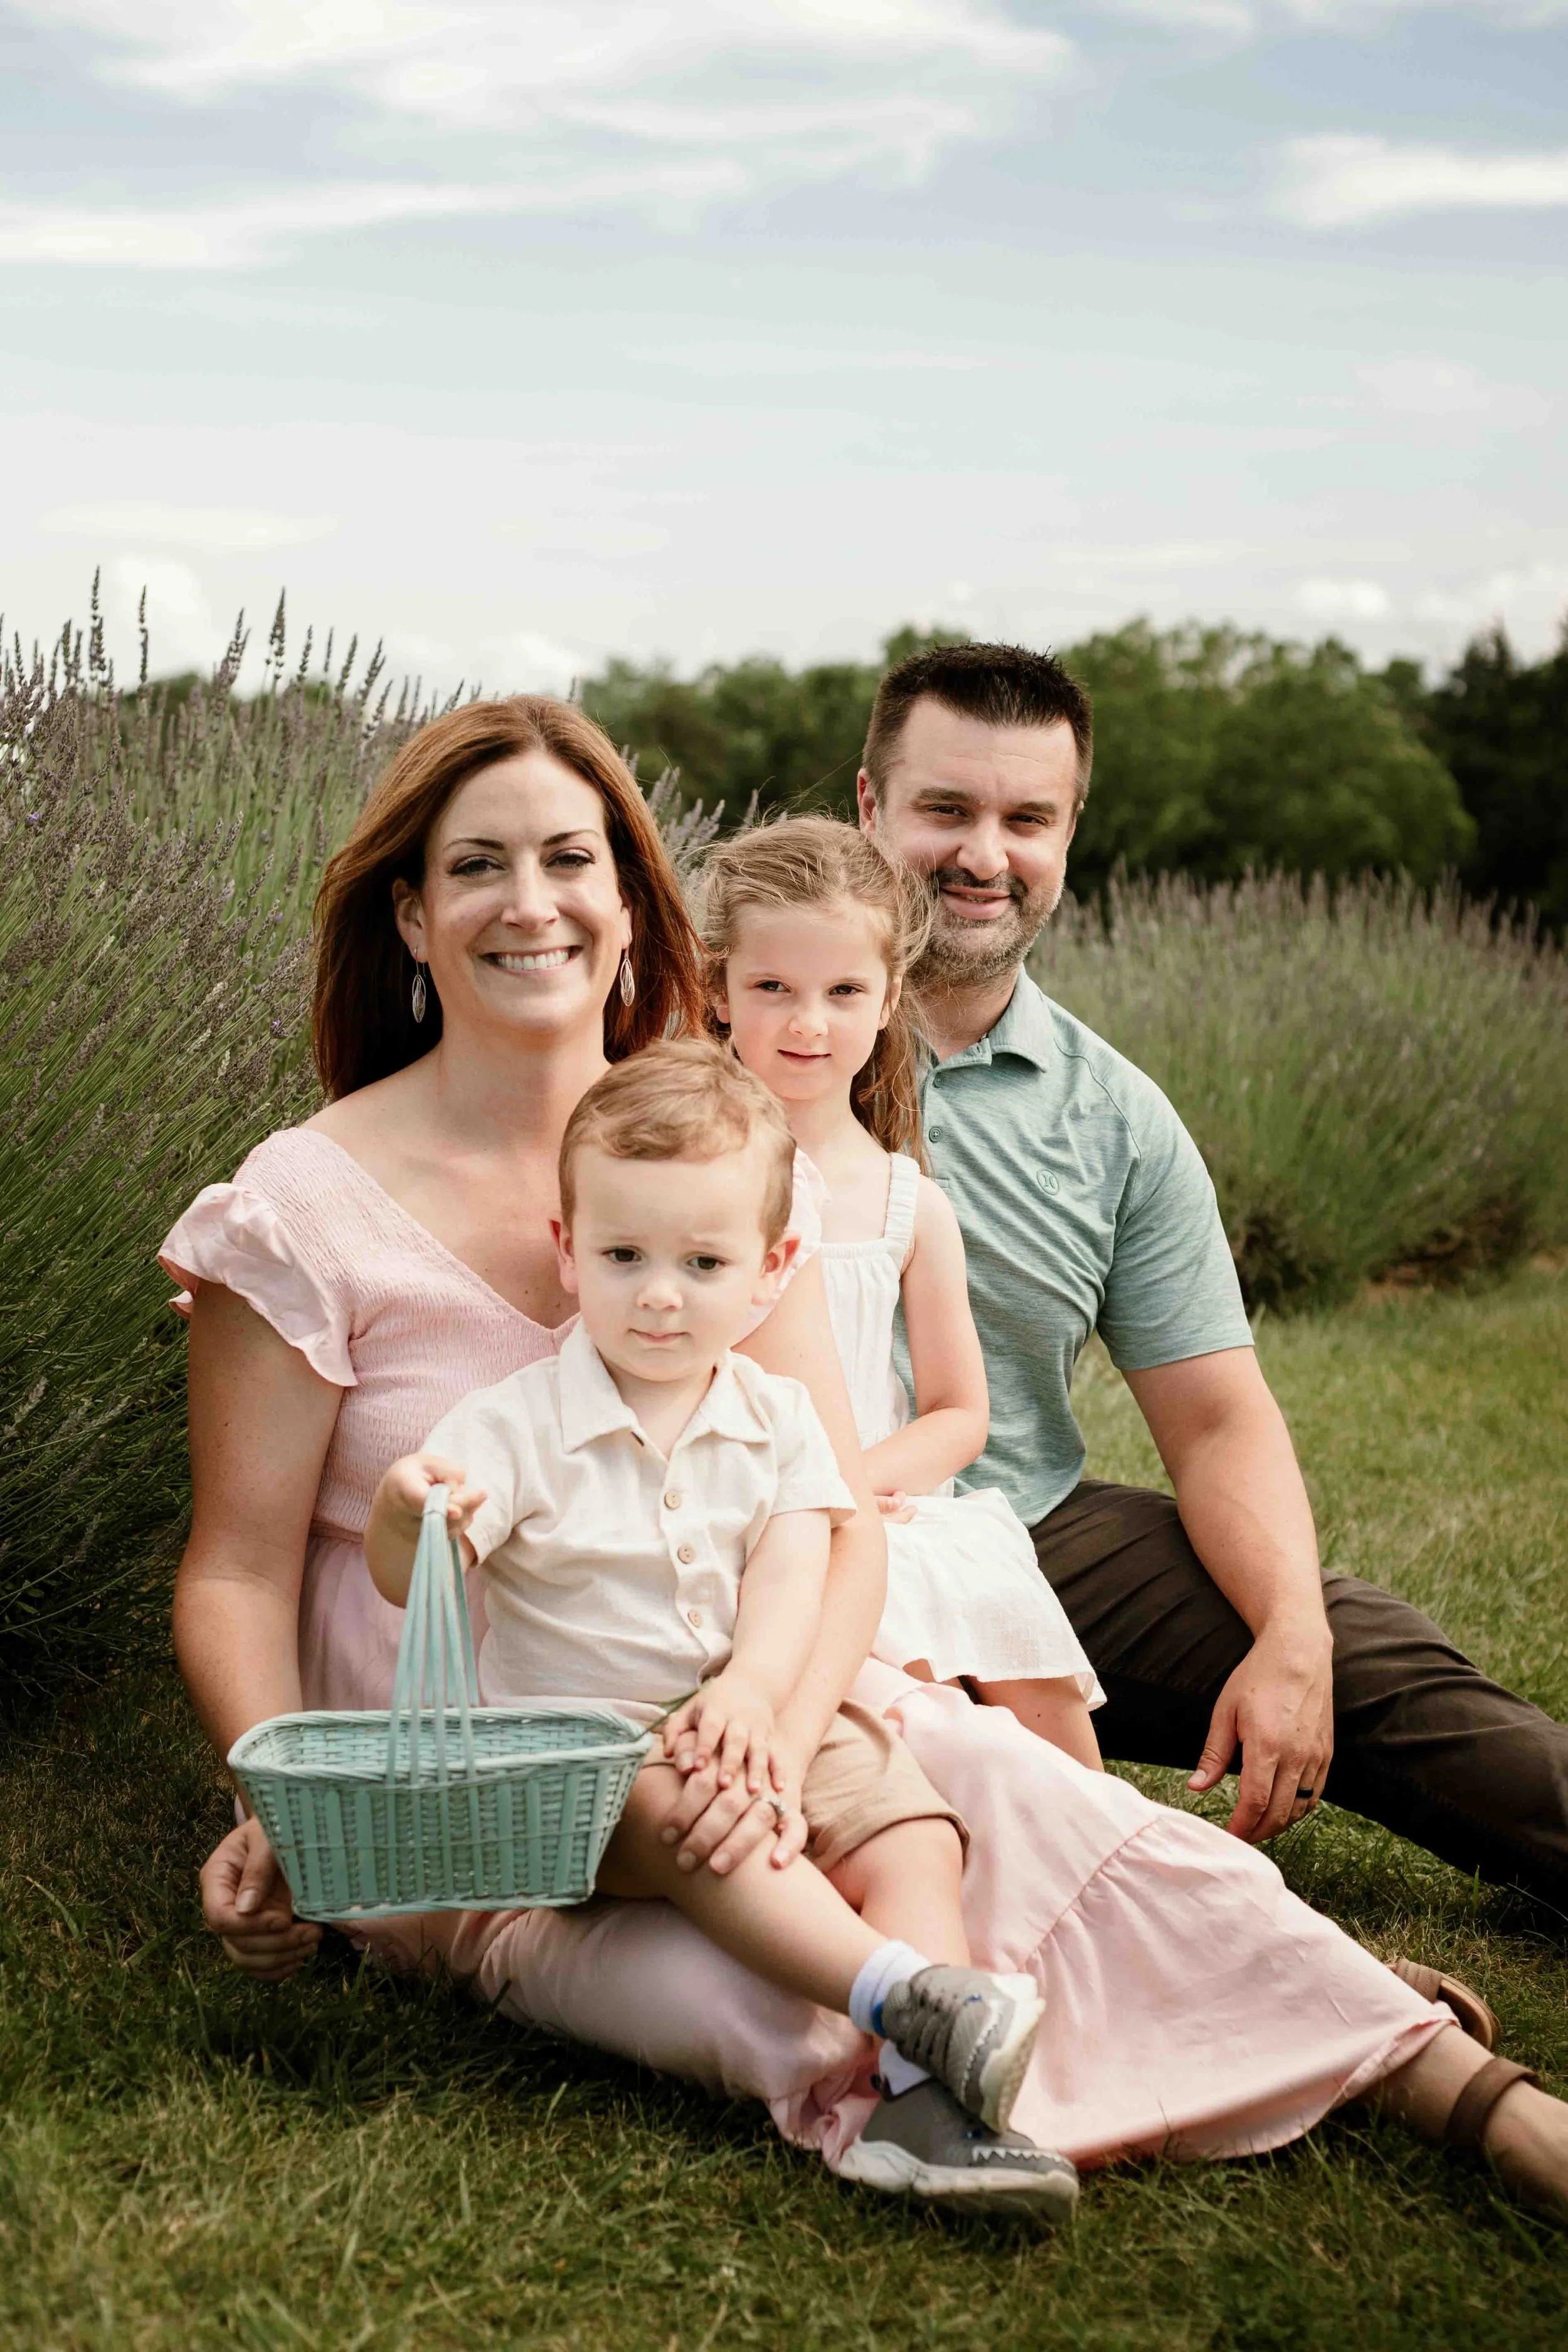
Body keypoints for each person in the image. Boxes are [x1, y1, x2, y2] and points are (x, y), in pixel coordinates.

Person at [163, 693, 1568, 2224]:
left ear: (633, 907)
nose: (531, 900)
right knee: (758, 1975)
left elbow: (831, 1518)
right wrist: (283, 1800)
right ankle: (948, 2082)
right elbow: (237, 1566)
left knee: (1002, 1803)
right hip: (478, 1760)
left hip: (748, 1681)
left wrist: (772, 1708)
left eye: (572, 856)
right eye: (477, 864)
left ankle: (1454, 2087)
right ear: (411, 914)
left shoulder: (712, 1150)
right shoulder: (298, 1206)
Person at [857, 638, 1568, 1905]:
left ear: (1069, 835)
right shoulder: (718, 1030)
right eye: (945, 811)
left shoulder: (1114, 1117)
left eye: (1026, 819)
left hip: (1014, 1534)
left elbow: (1217, 1415)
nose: (983, 855)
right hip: (770, 1540)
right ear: (869, 809)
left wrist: (1290, 1639)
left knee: (1357, 1648)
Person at [366, 1040, 1074, 2215]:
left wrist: (755, 1695)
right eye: (624, 1254)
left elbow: (799, 1563)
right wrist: (408, 1517)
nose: (658, 1291)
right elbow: (415, 1578)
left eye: (702, 1261)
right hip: (580, 1762)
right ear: (567, 1251)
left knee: (914, 1829)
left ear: (770, 1269)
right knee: (696, 1817)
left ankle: (920, 2100)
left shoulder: (777, 1414)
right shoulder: (516, 1423)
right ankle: (913, 1997)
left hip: (744, 1709)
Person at [699, 814, 1103, 1769]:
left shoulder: (905, 1202)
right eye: (772, 988)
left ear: (889, 999)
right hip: (737, 1501)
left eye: (843, 991)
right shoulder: (686, 1177)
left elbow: (962, 1414)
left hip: (878, 1493)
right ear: (718, 989)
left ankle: (1103, 1825)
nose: (808, 1021)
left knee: (973, 1568)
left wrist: (859, 1481)